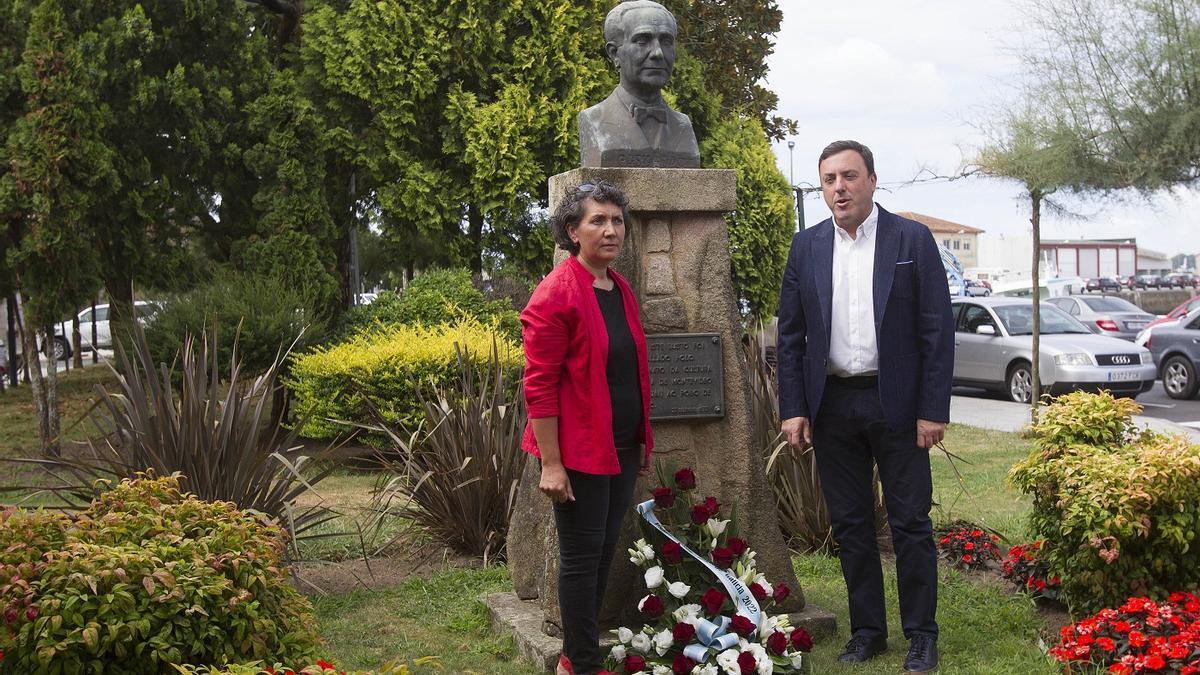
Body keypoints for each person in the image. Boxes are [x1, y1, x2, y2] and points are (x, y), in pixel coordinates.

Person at [776, 140, 954, 673]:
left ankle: (921, 634)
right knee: (851, 525)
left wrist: (932, 409)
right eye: (829, 179)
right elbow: (790, 337)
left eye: (849, 176)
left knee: (910, 523)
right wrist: (794, 407)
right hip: (833, 405)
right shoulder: (805, 247)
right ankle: (868, 632)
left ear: (872, 181)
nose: (839, 188)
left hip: (896, 403)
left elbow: (936, 332)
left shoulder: (911, 240)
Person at [521, 180, 654, 675]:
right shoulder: (557, 292)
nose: (611, 229)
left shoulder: (617, 288)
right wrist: (552, 464)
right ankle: (579, 661)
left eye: (617, 220)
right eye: (597, 220)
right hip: (577, 451)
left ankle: (576, 654)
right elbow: (538, 384)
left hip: (618, 444)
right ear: (572, 231)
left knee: (600, 553)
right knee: (581, 557)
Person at [578, 0, 700, 168]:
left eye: (666, 41)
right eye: (642, 41)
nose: (657, 53)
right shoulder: (595, 120)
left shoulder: (683, 126)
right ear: (615, 54)